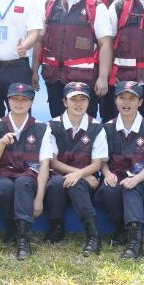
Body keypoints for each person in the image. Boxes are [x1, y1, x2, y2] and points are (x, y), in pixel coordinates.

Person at [36, 0, 115, 121]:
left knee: (86, 124)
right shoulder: (50, 4)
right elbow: (40, 40)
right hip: (55, 78)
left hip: (84, 79)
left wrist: (103, 77)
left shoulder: (96, 7)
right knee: (58, 123)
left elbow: (106, 44)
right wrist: (33, 71)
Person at [0, 82, 53, 260]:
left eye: (24, 99)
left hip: (29, 177)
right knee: (4, 188)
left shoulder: (42, 127)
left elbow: (45, 164)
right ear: (8, 101)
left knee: (23, 182)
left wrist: (39, 199)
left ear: (31, 102)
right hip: (3, 174)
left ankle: (23, 238)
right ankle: (12, 226)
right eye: (15, 99)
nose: (19, 103)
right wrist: (2, 143)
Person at [96, 80, 144, 260]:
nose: (126, 103)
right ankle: (122, 229)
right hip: (115, 176)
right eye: (122, 98)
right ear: (115, 100)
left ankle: (135, 241)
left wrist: (136, 179)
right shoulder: (107, 128)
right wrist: (107, 173)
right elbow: (102, 160)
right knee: (109, 190)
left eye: (132, 98)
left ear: (140, 102)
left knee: (130, 189)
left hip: (143, 180)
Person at [44, 82, 108, 256]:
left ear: (89, 102)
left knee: (75, 184)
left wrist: (80, 174)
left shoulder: (96, 127)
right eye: (74, 99)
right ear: (65, 102)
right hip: (62, 175)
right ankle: (56, 225)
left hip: (86, 177)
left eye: (83, 99)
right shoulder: (52, 125)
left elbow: (97, 164)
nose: (78, 104)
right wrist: (78, 173)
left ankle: (93, 235)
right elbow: (52, 162)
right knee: (56, 183)